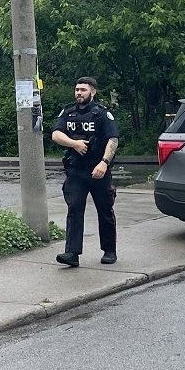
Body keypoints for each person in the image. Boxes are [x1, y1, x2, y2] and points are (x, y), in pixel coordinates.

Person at [51, 76, 119, 267]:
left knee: (105, 210)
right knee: (74, 209)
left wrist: (104, 163)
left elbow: (112, 139)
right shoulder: (68, 111)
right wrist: (74, 144)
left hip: (98, 170)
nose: (79, 93)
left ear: (93, 92)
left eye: (83, 90)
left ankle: (109, 250)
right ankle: (72, 253)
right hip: (76, 171)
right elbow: (56, 134)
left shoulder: (102, 114)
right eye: (77, 89)